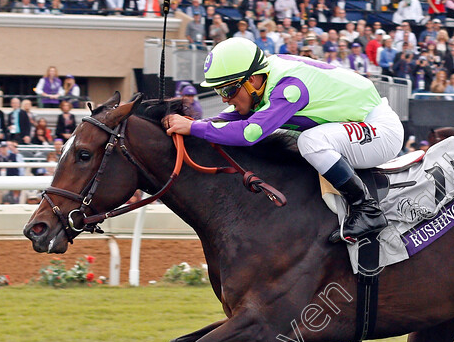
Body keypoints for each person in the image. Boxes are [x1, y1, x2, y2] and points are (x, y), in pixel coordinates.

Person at [163, 38, 403, 244]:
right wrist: (196, 125)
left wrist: (195, 127)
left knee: (311, 141)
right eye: (219, 93)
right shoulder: (267, 77)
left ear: (253, 80)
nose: (225, 100)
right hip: (358, 126)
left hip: (380, 130)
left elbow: (250, 133)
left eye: (227, 91)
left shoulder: (289, 88)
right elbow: (232, 118)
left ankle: (367, 210)